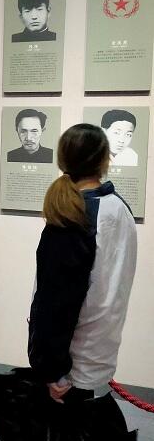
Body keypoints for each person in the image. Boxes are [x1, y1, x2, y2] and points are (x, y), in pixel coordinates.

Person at [29, 124, 136, 410]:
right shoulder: (119, 208)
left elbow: (56, 302)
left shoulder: (75, 216)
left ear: (62, 159)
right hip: (99, 354)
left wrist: (51, 368)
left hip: (69, 367)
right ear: (104, 159)